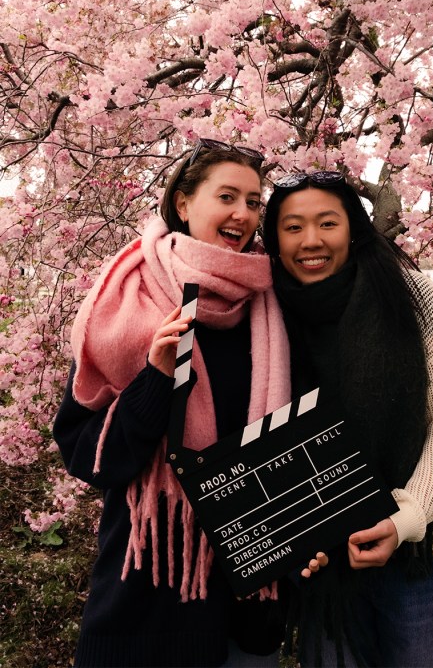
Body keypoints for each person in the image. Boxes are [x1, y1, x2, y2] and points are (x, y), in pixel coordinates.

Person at [53, 139, 292, 668]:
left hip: (245, 592)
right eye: (227, 196)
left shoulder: (271, 302)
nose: (242, 213)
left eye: (254, 201)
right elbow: (89, 458)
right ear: (183, 204)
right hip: (150, 591)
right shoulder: (127, 303)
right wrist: (155, 378)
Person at [262, 170, 433, 668]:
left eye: (327, 223)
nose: (311, 241)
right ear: (274, 238)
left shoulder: (409, 295)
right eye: (293, 227)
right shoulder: (272, 310)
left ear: (353, 229)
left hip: (427, 549)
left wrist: (406, 517)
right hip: (327, 549)